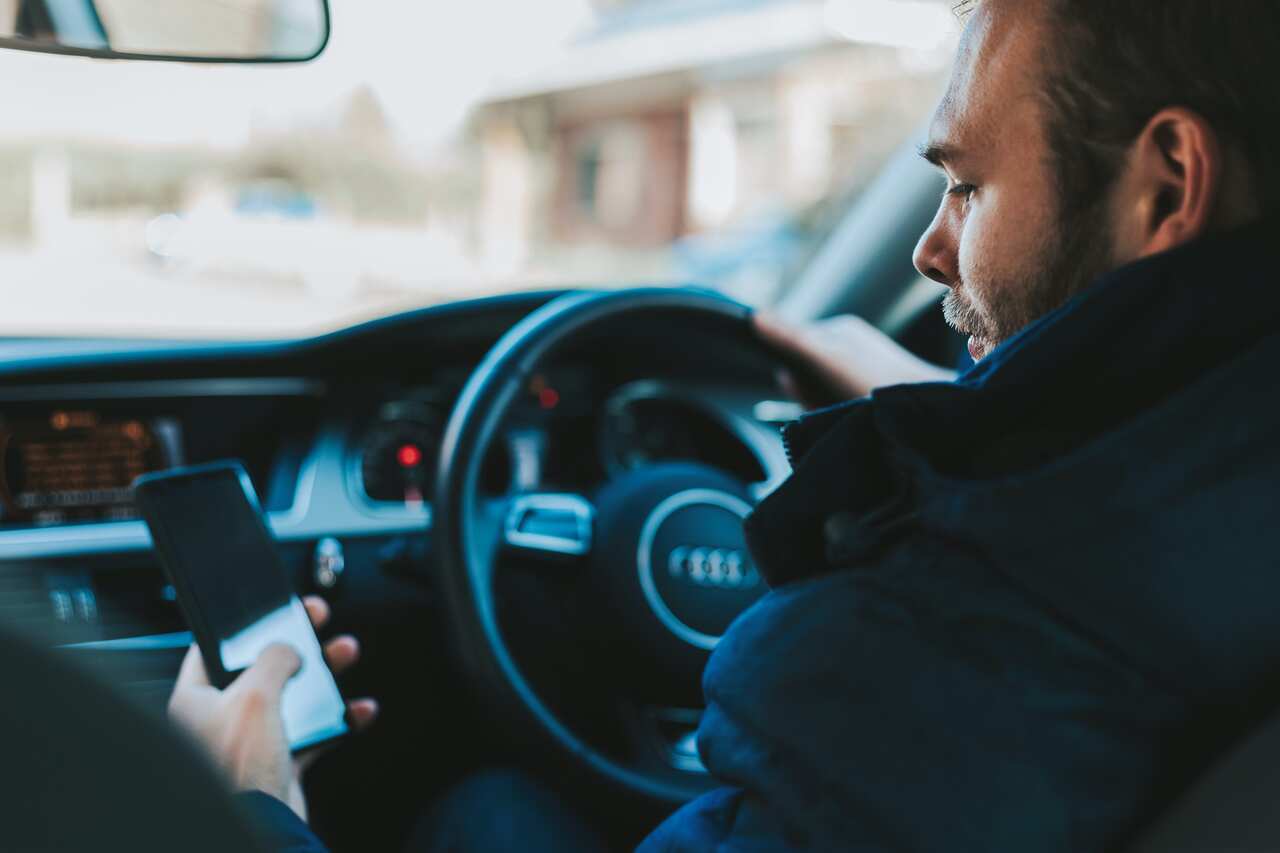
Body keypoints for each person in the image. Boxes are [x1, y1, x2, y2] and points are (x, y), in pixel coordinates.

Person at [169, 0, 1280, 849]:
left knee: (483, 811)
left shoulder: (953, 653)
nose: (928, 251)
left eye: (967, 189)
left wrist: (240, 810)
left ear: (1164, 187)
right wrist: (942, 424)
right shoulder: (1189, 513)